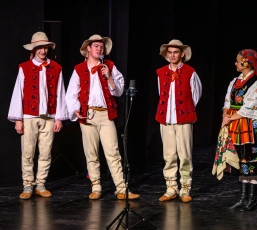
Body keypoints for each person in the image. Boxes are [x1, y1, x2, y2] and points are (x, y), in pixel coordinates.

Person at [65, 34, 140, 200]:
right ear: (88, 49)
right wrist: (76, 110)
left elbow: (119, 91)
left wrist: (110, 77)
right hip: (88, 114)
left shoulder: (110, 66)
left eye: (101, 47)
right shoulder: (79, 69)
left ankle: (121, 188)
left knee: (113, 152)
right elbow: (71, 93)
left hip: (106, 114)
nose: (100, 49)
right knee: (91, 153)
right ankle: (96, 186)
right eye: (96, 46)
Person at [8, 31, 68, 199]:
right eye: (39, 48)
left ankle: (40, 184)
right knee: (28, 151)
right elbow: (17, 93)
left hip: (49, 116)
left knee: (46, 151)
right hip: (29, 115)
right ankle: (27, 185)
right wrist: (18, 119)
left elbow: (60, 93)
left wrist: (59, 118)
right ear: (34, 49)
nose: (43, 51)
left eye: (45, 48)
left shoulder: (56, 68)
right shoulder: (24, 67)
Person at [221, 49, 257, 211]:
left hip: (249, 126)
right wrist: (225, 115)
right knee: (241, 161)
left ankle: (252, 199)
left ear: (246, 62)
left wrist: (231, 117)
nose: (235, 63)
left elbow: (251, 106)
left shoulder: (255, 83)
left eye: (238, 61)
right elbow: (227, 101)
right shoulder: (235, 81)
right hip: (235, 124)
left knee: (252, 160)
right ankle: (243, 197)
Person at [156, 39, 202, 203]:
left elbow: (196, 94)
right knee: (169, 155)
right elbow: (161, 92)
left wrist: (185, 111)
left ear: (182, 54)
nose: (173, 55)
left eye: (176, 52)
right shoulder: (161, 72)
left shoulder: (190, 72)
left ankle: (185, 188)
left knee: (185, 154)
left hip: (183, 118)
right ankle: (170, 188)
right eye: (170, 52)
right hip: (166, 119)